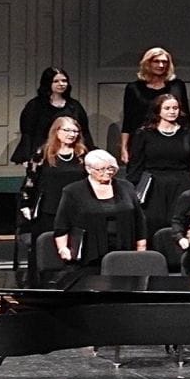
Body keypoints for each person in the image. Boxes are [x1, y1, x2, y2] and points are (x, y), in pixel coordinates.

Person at [53, 150, 147, 270]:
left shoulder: (126, 186)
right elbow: (62, 223)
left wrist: (141, 247)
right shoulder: (73, 191)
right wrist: (63, 248)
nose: (107, 172)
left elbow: (139, 219)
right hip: (90, 253)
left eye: (111, 168)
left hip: (125, 249)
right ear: (89, 169)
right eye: (101, 169)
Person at [125, 93, 190, 238]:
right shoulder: (144, 133)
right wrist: (132, 188)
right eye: (167, 108)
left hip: (181, 183)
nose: (172, 111)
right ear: (158, 110)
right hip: (154, 184)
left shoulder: (189, 134)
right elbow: (136, 163)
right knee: (153, 222)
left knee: (179, 222)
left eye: (175, 108)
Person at [18, 116, 88, 246]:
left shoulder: (83, 153)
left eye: (75, 131)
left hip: (76, 208)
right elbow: (30, 180)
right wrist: (25, 204)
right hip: (49, 208)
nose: (72, 134)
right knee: (48, 246)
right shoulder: (43, 153)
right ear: (57, 131)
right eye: (67, 130)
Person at [120, 47, 189, 164]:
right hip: (142, 140)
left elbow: (185, 117)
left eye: (165, 62)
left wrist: (187, 143)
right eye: (156, 61)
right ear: (147, 63)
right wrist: (123, 148)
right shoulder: (134, 88)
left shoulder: (177, 86)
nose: (161, 65)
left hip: (172, 138)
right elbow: (128, 121)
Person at [12, 67, 94, 164]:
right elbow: (28, 133)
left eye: (64, 81)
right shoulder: (35, 105)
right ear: (48, 83)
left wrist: (89, 153)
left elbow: (84, 132)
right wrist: (27, 156)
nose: (61, 84)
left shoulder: (74, 105)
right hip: (44, 152)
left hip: (71, 152)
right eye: (56, 81)